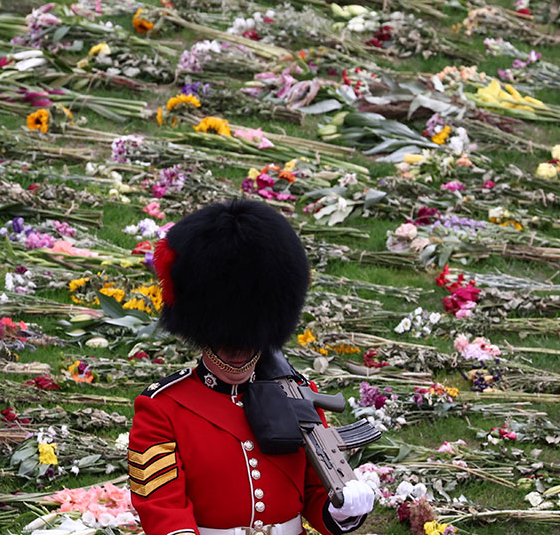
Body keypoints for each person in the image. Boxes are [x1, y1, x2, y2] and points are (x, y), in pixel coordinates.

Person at [128, 200, 375, 535]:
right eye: (226, 342)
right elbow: (162, 509)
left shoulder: (299, 394)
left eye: (248, 340)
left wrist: (342, 510)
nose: (238, 353)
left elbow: (315, 494)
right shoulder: (163, 408)